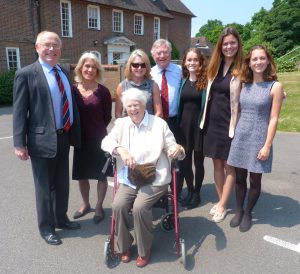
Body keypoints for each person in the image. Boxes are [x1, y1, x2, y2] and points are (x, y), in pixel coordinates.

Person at [101, 88, 185, 268]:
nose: (133, 109)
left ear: (144, 105)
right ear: (125, 107)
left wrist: (177, 149)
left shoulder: (158, 124)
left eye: (136, 105)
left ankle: (144, 249)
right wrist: (120, 150)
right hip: (130, 177)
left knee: (139, 207)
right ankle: (124, 245)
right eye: (129, 105)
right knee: (118, 205)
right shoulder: (122, 124)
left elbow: (172, 145)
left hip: (155, 177)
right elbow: (106, 142)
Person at [13, 31, 81, 245]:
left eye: (56, 45)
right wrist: (19, 144)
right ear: (37, 48)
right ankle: (46, 228)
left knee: (61, 184)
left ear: (61, 49)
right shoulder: (26, 74)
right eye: (47, 45)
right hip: (41, 140)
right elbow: (19, 111)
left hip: (63, 137)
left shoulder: (63, 72)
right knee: (44, 187)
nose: (52, 49)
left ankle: (61, 218)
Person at [227, 45, 284, 232]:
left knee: (255, 180)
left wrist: (267, 145)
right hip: (242, 135)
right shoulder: (244, 83)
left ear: (268, 61)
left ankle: (248, 212)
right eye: (254, 59)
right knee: (240, 177)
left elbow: (274, 118)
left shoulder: (275, 86)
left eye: (262, 58)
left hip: (260, 137)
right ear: (249, 63)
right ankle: (239, 210)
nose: (258, 62)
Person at [200, 27, 243, 222]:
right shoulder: (214, 66)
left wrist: (277, 89)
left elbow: (263, 79)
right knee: (216, 163)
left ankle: (224, 204)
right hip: (212, 122)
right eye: (225, 43)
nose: (229, 46)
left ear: (238, 44)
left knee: (229, 165)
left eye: (232, 42)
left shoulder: (244, 67)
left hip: (231, 124)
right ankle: (220, 201)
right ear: (220, 46)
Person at [71, 52, 112, 224]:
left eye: (93, 67)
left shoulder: (103, 92)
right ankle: (86, 204)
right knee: (82, 175)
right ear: (81, 68)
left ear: (98, 70)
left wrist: (97, 129)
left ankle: (99, 205)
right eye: (87, 66)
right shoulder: (73, 89)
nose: (90, 69)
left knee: (101, 175)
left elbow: (107, 116)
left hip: (99, 139)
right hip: (81, 139)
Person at [177, 48, 207, 209]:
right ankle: (189, 190)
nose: (192, 63)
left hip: (199, 128)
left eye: (195, 60)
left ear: (200, 62)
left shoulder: (206, 82)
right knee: (185, 162)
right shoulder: (182, 81)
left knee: (199, 162)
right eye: (189, 60)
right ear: (184, 62)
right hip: (184, 128)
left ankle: (197, 193)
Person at [115, 49, 162, 118]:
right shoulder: (122, 86)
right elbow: (118, 113)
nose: (139, 68)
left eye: (143, 65)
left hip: (149, 127)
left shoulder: (153, 85)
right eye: (135, 65)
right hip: (129, 127)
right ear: (130, 66)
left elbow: (159, 112)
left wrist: (151, 127)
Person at [150, 39, 182, 139]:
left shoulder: (180, 70)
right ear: (153, 56)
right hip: (155, 121)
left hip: (176, 121)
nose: (162, 56)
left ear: (170, 53)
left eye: (165, 52)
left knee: (177, 151)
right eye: (159, 53)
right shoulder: (148, 74)